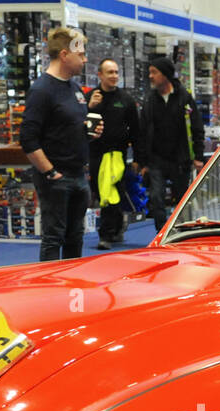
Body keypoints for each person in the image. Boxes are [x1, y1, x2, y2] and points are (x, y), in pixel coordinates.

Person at [20, 26, 104, 261]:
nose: (85, 59)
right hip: (56, 177)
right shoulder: (41, 90)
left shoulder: (75, 89)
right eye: (81, 54)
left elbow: (67, 129)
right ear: (65, 55)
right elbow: (27, 138)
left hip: (78, 174)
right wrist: (50, 172)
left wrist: (90, 134)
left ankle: (71, 286)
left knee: (75, 236)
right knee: (53, 237)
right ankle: (49, 289)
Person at [140, 57, 204, 230]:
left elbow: (197, 128)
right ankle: (162, 232)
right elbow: (143, 130)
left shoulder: (184, 98)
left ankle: (184, 231)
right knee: (156, 198)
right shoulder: (150, 100)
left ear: (166, 75)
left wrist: (198, 156)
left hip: (180, 158)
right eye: (149, 72)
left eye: (154, 72)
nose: (150, 76)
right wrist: (143, 162)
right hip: (156, 159)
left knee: (183, 199)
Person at [87, 57, 143, 248]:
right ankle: (117, 226)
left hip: (118, 155)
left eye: (116, 72)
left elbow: (136, 130)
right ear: (100, 75)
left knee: (111, 192)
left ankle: (106, 235)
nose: (114, 76)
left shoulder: (126, 100)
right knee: (101, 191)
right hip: (96, 154)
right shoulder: (91, 98)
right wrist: (90, 107)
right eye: (110, 72)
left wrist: (138, 158)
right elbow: (80, 125)